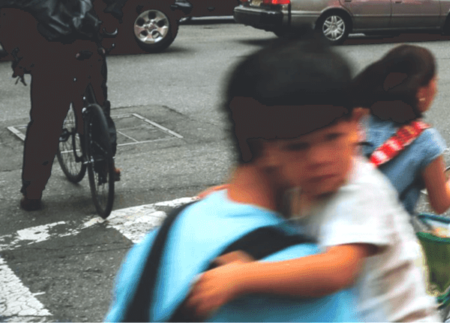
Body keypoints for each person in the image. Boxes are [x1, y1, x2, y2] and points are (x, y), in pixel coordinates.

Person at [177, 40, 436, 322]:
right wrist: (229, 195)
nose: (318, 159)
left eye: (332, 138)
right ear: (273, 152)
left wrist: (242, 277)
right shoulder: (310, 183)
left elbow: (338, 270)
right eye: (298, 147)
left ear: (356, 125)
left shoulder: (360, 187)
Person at [106, 40, 358, 321]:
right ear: (267, 149)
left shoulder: (169, 231)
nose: (324, 157)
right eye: (309, 143)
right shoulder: (302, 278)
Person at [5, 0, 114, 212]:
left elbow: (13, 21)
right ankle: (105, 165)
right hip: (88, 51)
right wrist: (104, 40)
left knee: (44, 123)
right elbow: (106, 9)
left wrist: (20, 58)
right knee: (100, 107)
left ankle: (33, 192)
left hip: (49, 57)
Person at [353, 45, 450, 215]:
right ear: (421, 91)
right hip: (389, 230)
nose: (436, 89)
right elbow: (440, 204)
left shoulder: (356, 119)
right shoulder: (424, 140)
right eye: (435, 81)